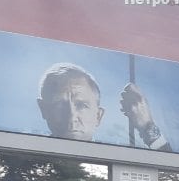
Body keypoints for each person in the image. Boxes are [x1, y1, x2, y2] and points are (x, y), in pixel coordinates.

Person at [36, 63, 171, 149]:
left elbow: (170, 165)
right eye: (60, 105)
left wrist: (147, 126)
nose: (72, 116)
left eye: (81, 105)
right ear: (44, 109)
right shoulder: (31, 154)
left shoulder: (117, 155)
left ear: (99, 116)